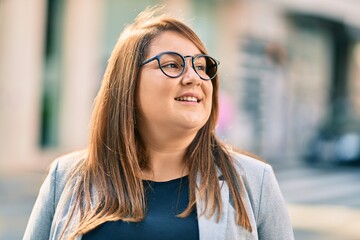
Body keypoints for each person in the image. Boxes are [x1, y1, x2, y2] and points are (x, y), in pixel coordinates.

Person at [23, 6, 294, 240]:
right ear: (127, 83)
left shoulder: (254, 183)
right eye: (173, 65)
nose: (194, 78)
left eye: (202, 66)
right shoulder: (67, 178)